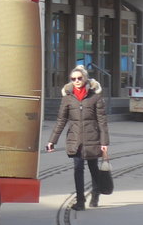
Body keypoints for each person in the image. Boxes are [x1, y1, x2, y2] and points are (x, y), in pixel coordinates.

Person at [46, 64, 110, 210]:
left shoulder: (95, 97)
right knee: (78, 168)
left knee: (93, 168)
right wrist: (52, 141)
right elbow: (61, 120)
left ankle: (95, 194)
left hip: (92, 138)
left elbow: (102, 121)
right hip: (75, 140)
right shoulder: (68, 98)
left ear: (85, 79)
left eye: (79, 78)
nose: (76, 81)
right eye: (73, 78)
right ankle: (80, 201)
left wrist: (104, 142)